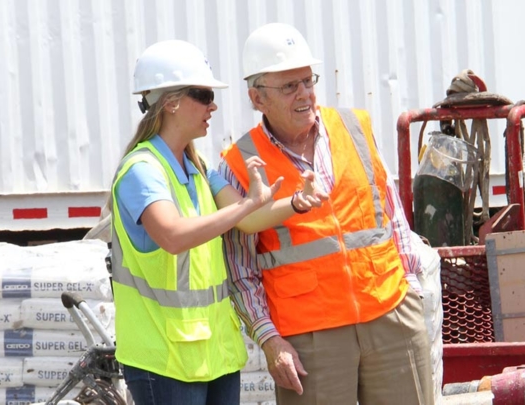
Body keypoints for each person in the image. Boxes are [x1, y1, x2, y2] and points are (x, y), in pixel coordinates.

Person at [219, 23, 434, 405]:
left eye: (307, 81)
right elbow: (240, 267)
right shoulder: (238, 164)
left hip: (390, 315)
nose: (304, 94)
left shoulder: (355, 127)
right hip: (309, 339)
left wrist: (412, 293)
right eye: (289, 86)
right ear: (257, 97)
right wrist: (269, 340)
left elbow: (391, 215)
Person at [110, 39, 327, 405]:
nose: (213, 105)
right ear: (171, 102)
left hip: (212, 354)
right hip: (165, 359)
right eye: (204, 94)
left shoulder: (197, 167)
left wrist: (295, 204)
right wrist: (245, 207)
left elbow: (250, 219)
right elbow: (174, 236)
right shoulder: (142, 171)